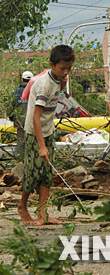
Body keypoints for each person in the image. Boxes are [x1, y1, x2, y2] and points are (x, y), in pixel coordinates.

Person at [18, 45, 75, 226]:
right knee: (33, 172)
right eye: (62, 68)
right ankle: (22, 206)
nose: (66, 72)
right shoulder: (43, 85)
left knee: (46, 173)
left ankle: (43, 213)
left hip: (48, 131)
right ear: (52, 64)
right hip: (35, 133)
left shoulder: (59, 80)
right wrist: (41, 146)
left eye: (69, 69)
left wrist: (63, 82)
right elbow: (36, 117)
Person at [10, 71, 33, 156]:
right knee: (31, 140)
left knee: (20, 140)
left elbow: (11, 106)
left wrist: (12, 117)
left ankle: (19, 158)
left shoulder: (16, 92)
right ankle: (30, 157)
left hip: (20, 121)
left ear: (22, 79)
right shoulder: (34, 90)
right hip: (32, 121)